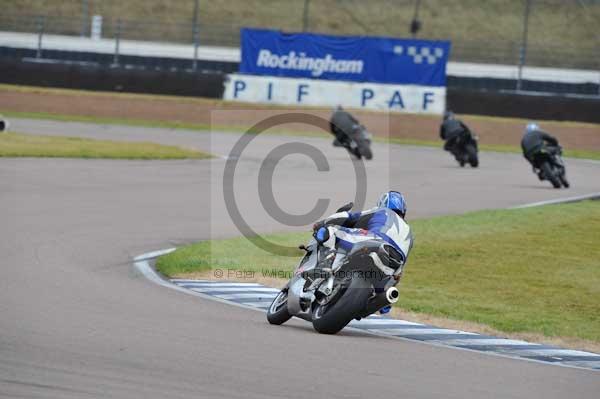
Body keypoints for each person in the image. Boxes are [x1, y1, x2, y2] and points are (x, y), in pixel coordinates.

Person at [313, 191, 413, 314]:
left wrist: (323, 222)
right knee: (385, 292)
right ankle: (379, 302)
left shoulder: (381, 211)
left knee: (329, 231)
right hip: (392, 264)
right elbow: (400, 268)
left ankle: (323, 269)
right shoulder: (409, 233)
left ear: (382, 204)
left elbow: (350, 218)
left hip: (374, 242)